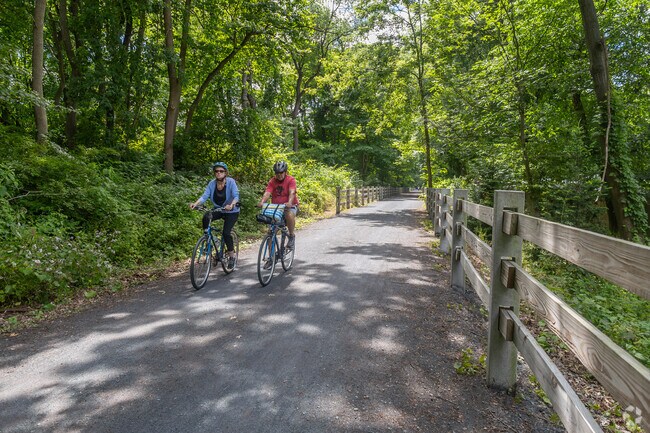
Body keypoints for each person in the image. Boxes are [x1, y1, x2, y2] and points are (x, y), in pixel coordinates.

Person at [190, 162, 240, 269]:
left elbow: (236, 196)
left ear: (225, 172)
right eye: (216, 171)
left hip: (232, 211)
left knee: (226, 233)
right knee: (206, 217)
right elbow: (204, 196)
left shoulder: (231, 182)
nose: (218, 173)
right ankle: (209, 240)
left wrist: (232, 205)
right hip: (219, 209)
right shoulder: (212, 184)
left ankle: (231, 256)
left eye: (221, 171)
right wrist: (196, 203)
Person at [257, 160, 299, 249]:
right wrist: (262, 201)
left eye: (281, 172)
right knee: (270, 233)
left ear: (285, 172)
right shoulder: (272, 181)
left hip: (289, 206)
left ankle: (291, 236)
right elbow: (267, 192)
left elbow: (292, 192)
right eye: (277, 173)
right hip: (276, 208)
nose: (279, 175)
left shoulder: (291, 180)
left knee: (289, 214)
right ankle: (271, 258)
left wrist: (290, 202)